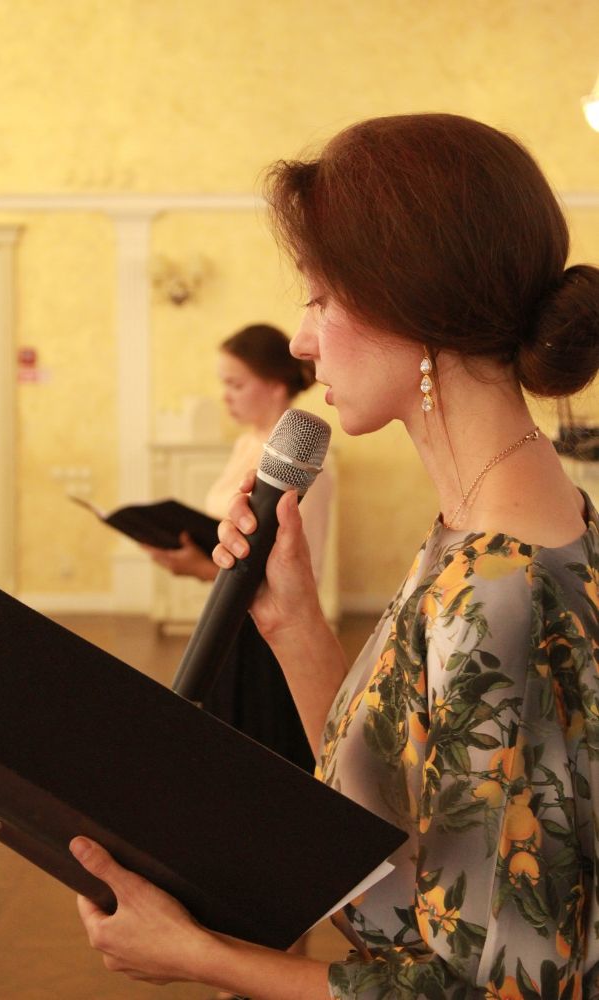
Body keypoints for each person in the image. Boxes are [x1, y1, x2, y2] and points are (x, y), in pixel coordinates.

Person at [70, 113, 599, 999]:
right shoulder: (491, 521)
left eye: (318, 298)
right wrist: (293, 623)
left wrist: (199, 956)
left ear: (413, 307)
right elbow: (402, 818)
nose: (301, 339)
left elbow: (493, 991)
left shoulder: (498, 593)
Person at [145, 323, 333, 772]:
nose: (225, 396)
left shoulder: (302, 468)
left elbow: (294, 574)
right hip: (227, 611)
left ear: (275, 384)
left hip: (264, 637)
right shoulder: (249, 445)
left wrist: (199, 567)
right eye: (223, 384)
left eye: (236, 384)